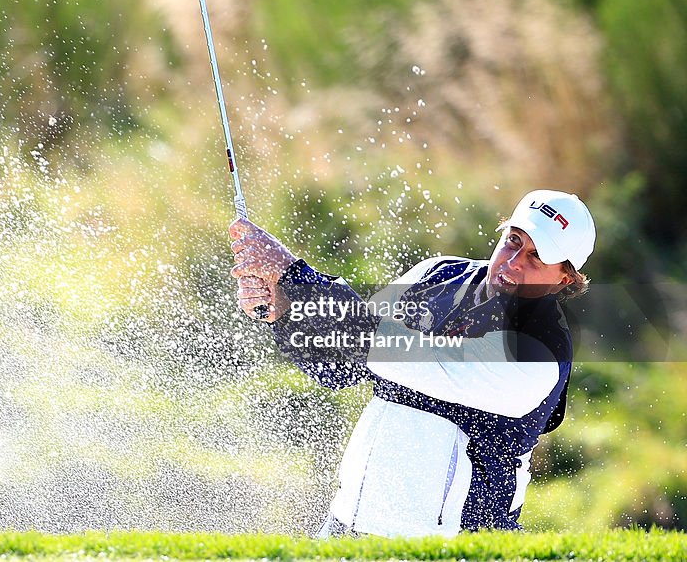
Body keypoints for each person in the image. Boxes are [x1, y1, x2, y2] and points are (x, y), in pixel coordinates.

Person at [229, 189, 595, 538]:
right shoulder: (436, 275)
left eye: (536, 256)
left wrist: (296, 277)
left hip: (451, 545)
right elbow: (340, 366)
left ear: (564, 278)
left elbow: (404, 355)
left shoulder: (540, 349)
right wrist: (283, 313)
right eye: (514, 240)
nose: (514, 263)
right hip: (349, 523)